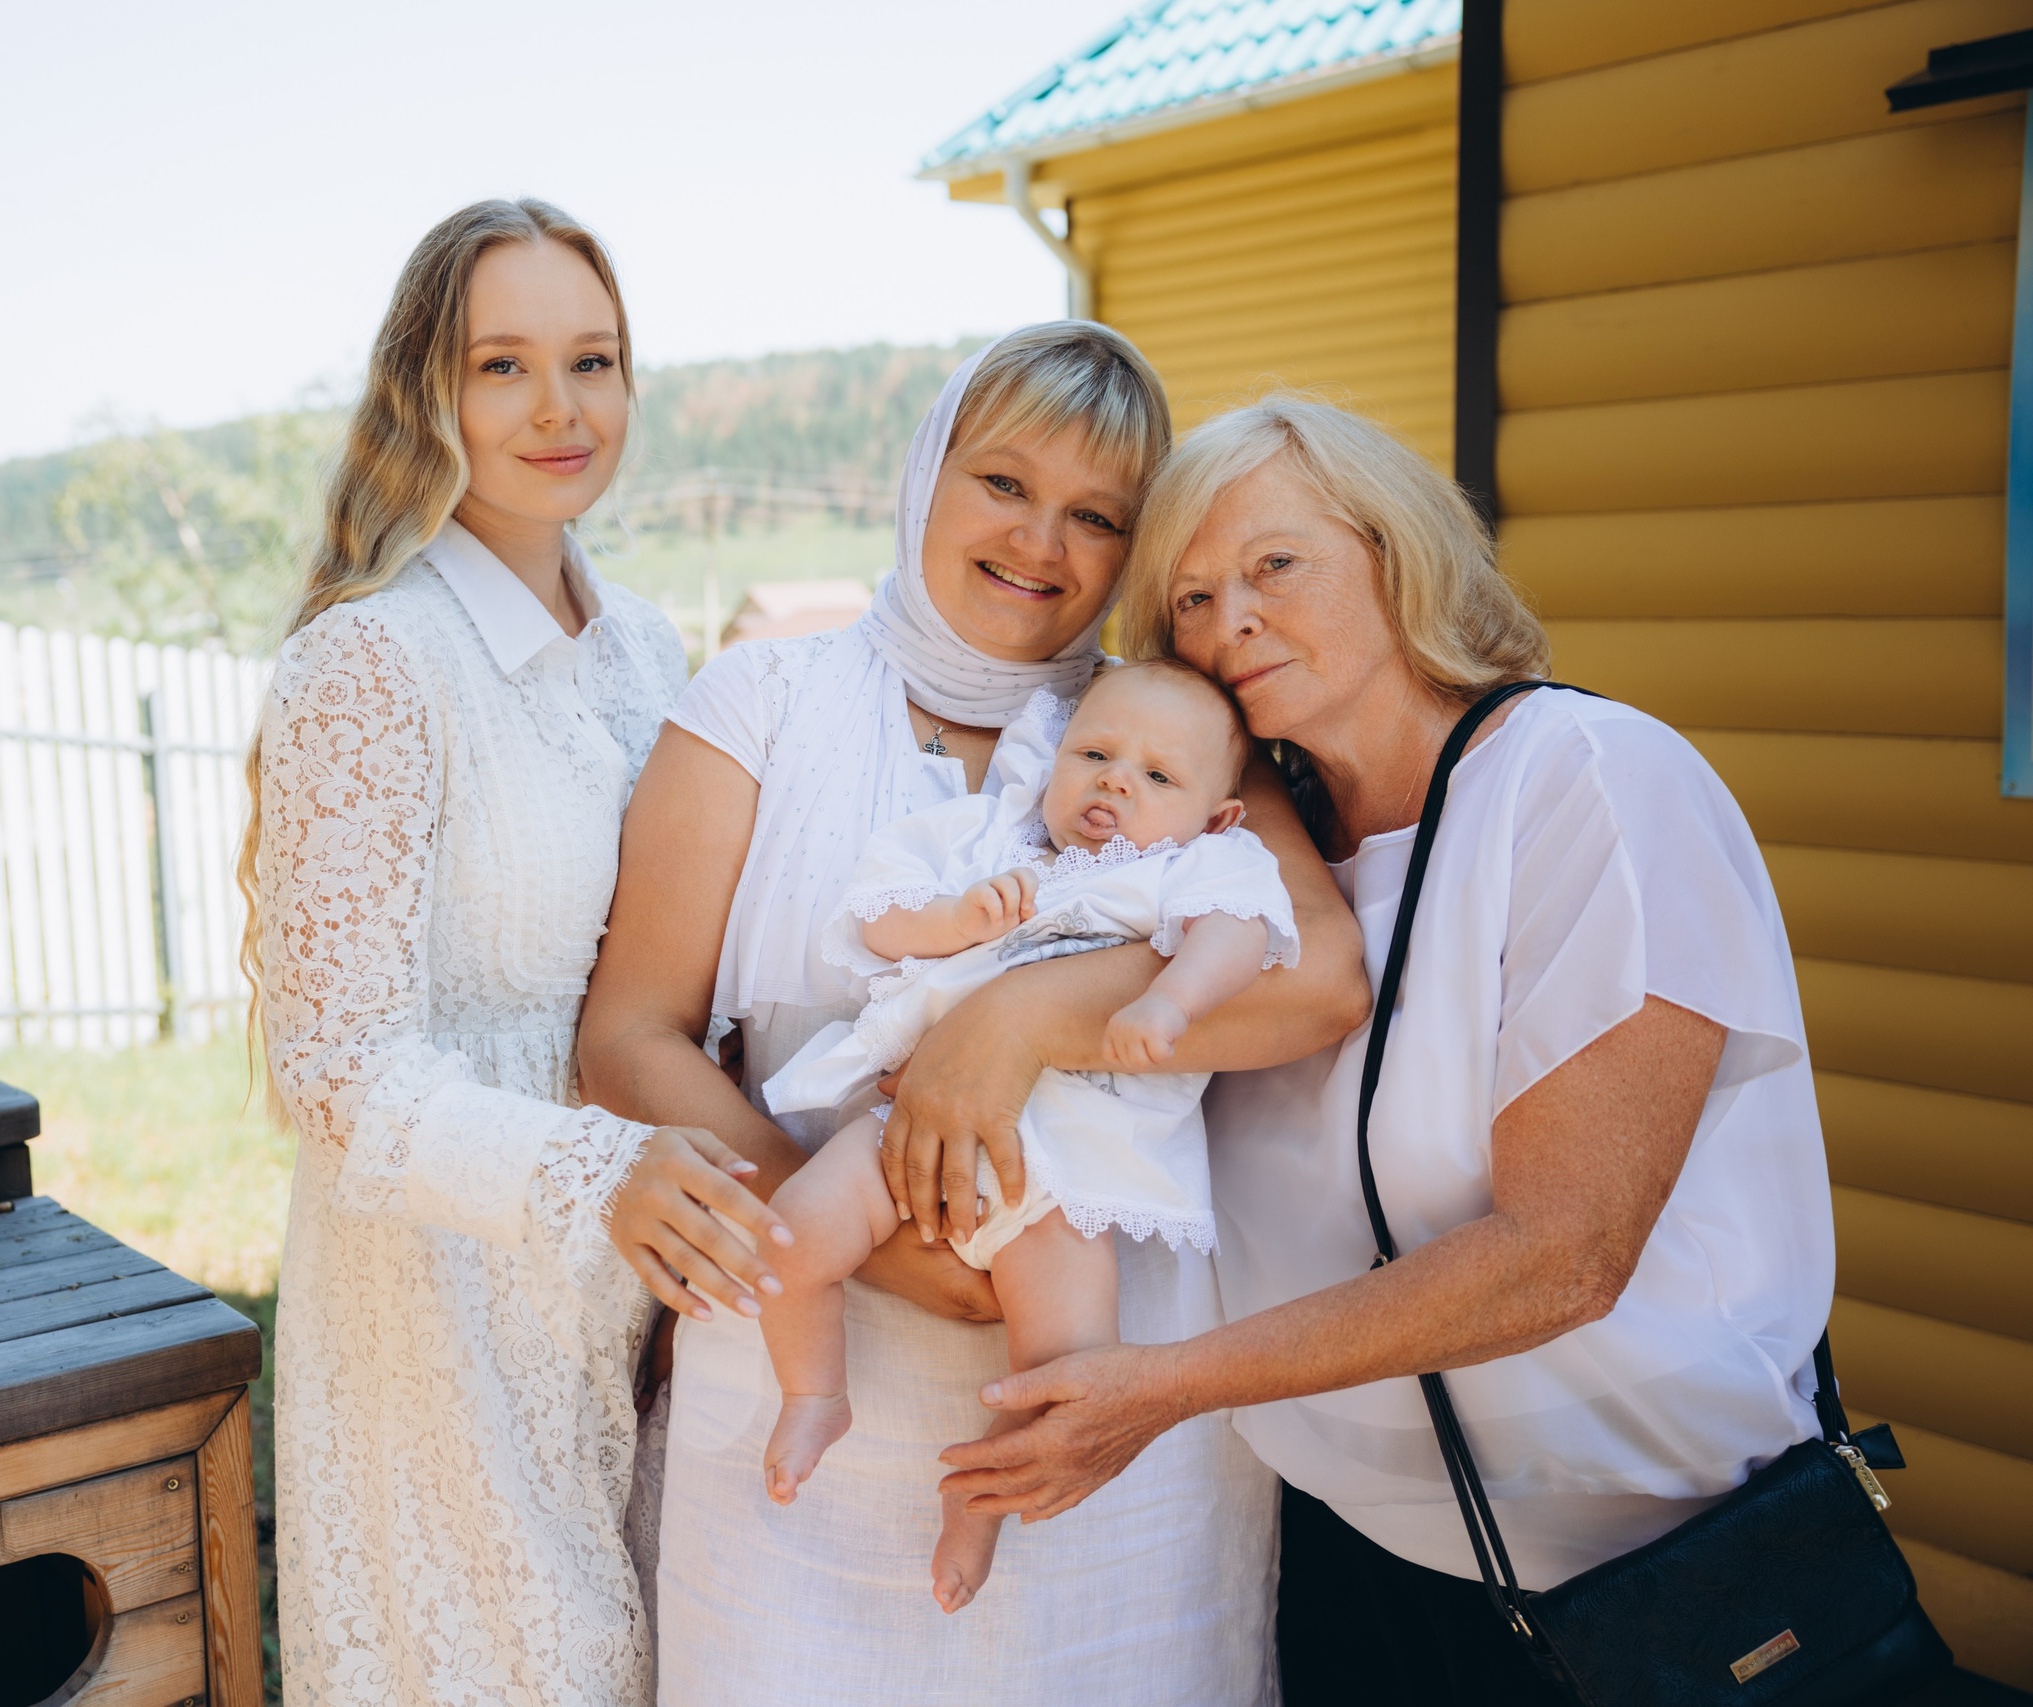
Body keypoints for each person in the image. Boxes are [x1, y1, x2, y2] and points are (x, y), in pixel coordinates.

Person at [926, 394, 1833, 1705]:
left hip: (1649, 1580)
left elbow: (1564, 1252)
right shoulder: (1245, 857)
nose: (1227, 618)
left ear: (1395, 550)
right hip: (1347, 1565)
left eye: (1273, 565)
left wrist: (1164, 1384)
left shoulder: (1588, 779)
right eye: (1186, 599)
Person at [580, 326, 1372, 1705]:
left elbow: (1315, 975)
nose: (1042, 541)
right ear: (926, 469)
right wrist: (877, 1241)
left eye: (1098, 514)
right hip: (802, 1344)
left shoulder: (1161, 724)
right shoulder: (760, 701)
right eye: (1004, 482)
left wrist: (1019, 1018)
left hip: (1102, 1397)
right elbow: (630, 1036)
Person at [250, 198, 793, 1707]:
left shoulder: (649, 653)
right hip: (445, 1301)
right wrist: (588, 1178)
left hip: (639, 1294)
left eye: (595, 360)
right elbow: (337, 1070)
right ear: (430, 387)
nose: (561, 408)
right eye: (505, 365)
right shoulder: (371, 658)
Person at [755, 660, 1300, 1614]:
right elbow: (875, 912)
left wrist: (1172, 999)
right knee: (794, 1232)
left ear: (1216, 815)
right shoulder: (988, 838)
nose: (1116, 780)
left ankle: (978, 1506)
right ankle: (812, 1392)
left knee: (1064, 1367)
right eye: (1093, 753)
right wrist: (952, 917)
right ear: (1054, 760)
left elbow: (1240, 934)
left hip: (1067, 1170)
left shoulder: (1199, 866)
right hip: (914, 1121)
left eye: (1158, 776)